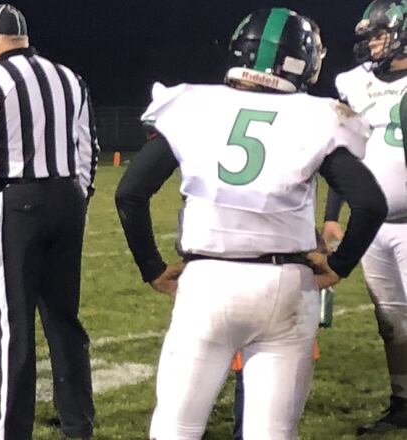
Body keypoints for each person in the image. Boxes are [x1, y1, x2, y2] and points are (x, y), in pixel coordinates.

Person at [115, 8, 387, 439]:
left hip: (207, 279)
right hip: (284, 284)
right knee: (272, 432)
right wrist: (341, 264)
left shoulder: (191, 104)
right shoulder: (318, 114)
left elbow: (129, 193)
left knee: (176, 427)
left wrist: (151, 266)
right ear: (301, 61)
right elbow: (370, 204)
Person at [0, 4, 100, 439]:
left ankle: (13, 430)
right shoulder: (70, 79)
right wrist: (75, 197)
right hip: (68, 199)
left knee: (14, 324)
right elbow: (88, 152)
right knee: (64, 318)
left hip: (17, 202)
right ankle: (78, 423)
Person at [322, 0, 407, 434]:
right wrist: (333, 214)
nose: (372, 42)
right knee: (391, 322)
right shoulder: (354, 83)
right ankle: (402, 402)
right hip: (374, 225)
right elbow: (343, 153)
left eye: (380, 33)